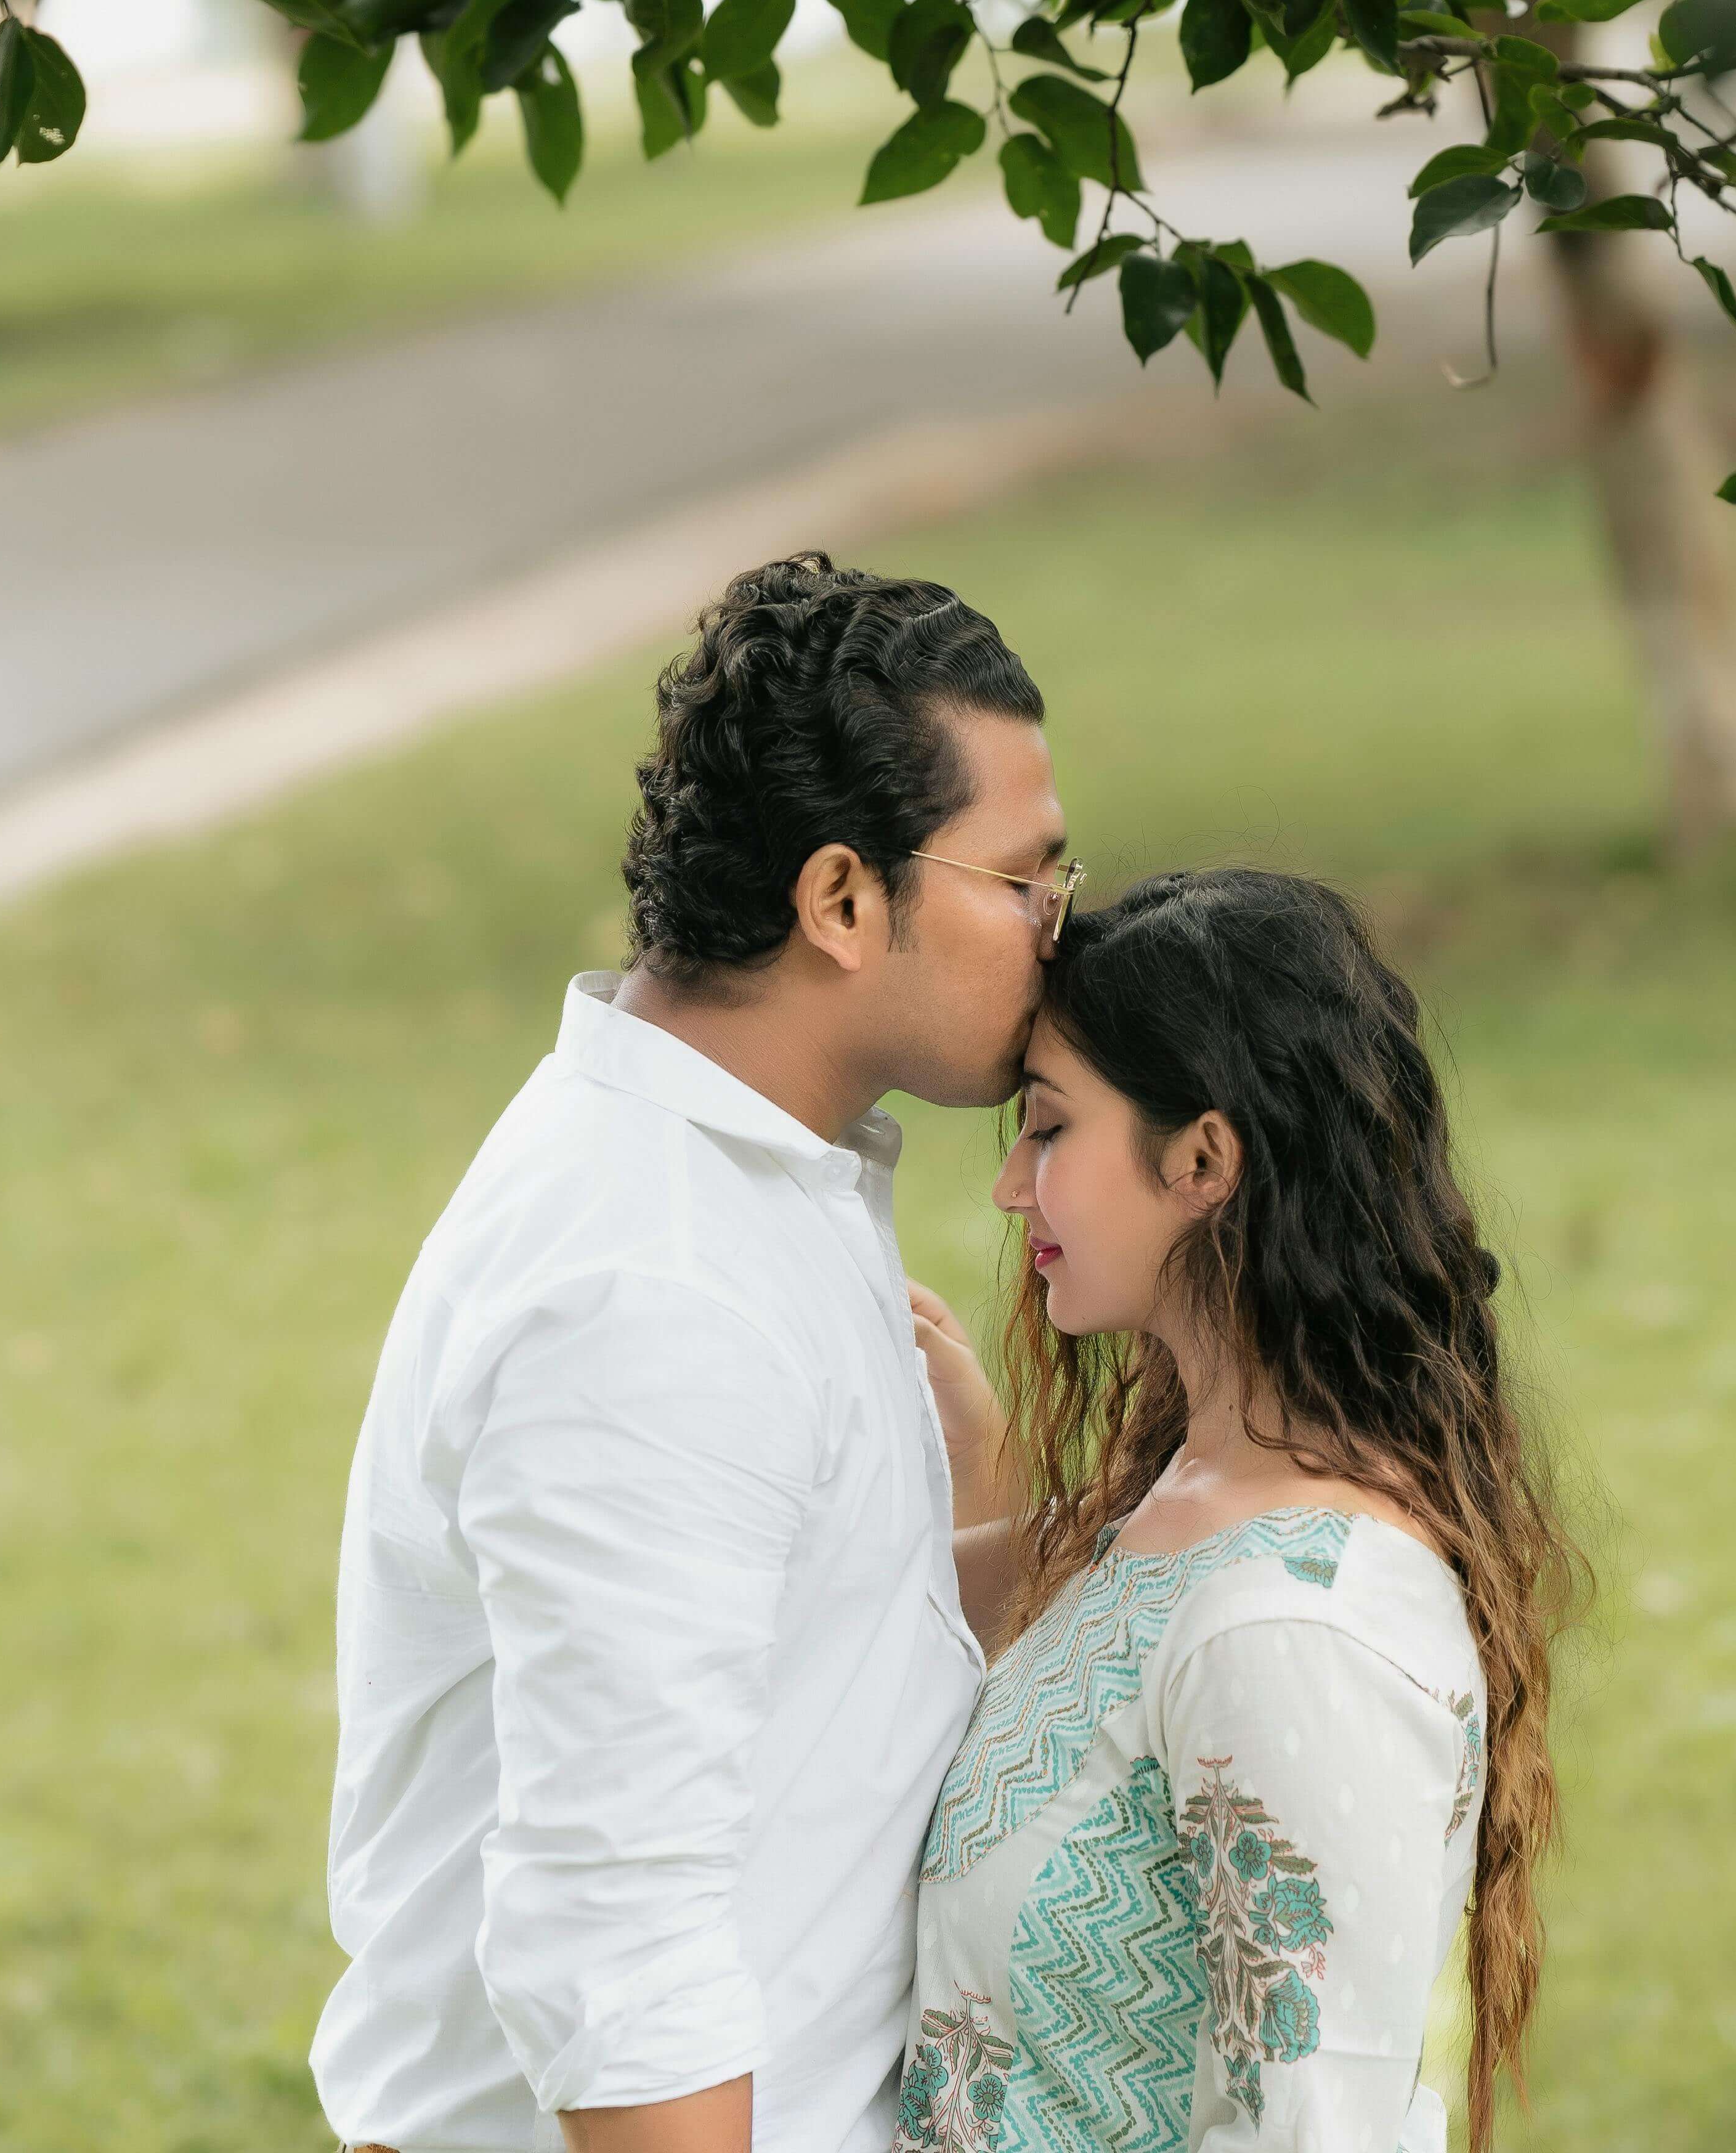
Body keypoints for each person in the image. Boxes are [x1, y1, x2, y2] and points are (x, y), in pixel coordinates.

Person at [314, 556, 1080, 2153]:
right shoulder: (654, 1287)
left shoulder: (749, 1185)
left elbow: (806, 1658)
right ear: (842, 900)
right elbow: (619, 1934)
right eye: (1024, 882)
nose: (1059, 934)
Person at [901, 869, 1580, 2153]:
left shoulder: (1294, 1629)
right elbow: (895, 1619)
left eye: (1049, 1129)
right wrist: (966, 1451)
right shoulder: (1178, 1504)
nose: (1010, 1188)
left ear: (1204, 1159)